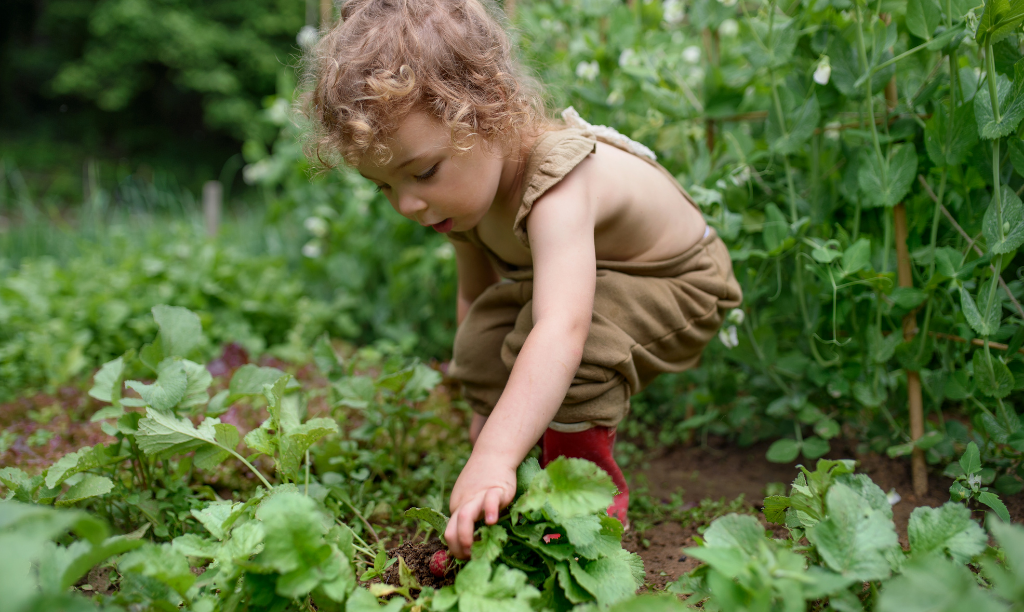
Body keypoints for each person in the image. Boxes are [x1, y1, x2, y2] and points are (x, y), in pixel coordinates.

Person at [304, 0, 742, 560]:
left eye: (423, 172)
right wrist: (486, 422)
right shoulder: (459, 201)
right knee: (488, 333)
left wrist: (494, 454)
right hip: (594, 287)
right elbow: (477, 301)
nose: (408, 204)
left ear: (489, 113)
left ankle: (581, 510)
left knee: (578, 347)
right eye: (383, 186)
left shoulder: (557, 182)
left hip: (682, 283)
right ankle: (520, 477)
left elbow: (563, 327)